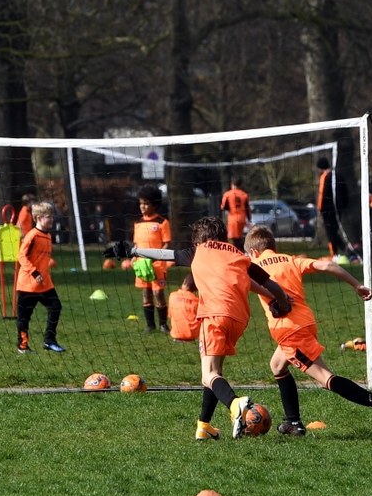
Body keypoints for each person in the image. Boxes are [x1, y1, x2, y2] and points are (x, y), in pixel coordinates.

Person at [105, 216, 293, 440]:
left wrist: (132, 250)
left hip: (213, 315)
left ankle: (235, 405)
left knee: (208, 375)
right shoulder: (238, 255)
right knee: (215, 372)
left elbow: (166, 254)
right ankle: (203, 427)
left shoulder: (199, 251)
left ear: (200, 240)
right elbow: (269, 283)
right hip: (239, 319)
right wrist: (281, 302)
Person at [244, 225, 372, 434]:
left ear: (253, 252)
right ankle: (294, 423)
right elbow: (328, 266)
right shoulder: (290, 259)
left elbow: (242, 283)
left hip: (289, 330)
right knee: (277, 366)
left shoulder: (253, 265)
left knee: (325, 378)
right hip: (306, 323)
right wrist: (356, 285)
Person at [15, 201, 65, 354]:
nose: (51, 219)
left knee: (56, 307)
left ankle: (49, 340)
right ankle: (23, 346)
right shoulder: (32, 236)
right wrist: (35, 272)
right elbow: (21, 256)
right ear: (37, 218)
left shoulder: (48, 236)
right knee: (24, 317)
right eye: (47, 217)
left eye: (52, 216)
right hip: (28, 284)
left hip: (44, 284)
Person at [132, 185, 172, 333]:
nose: (142, 206)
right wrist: (134, 257)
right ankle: (150, 326)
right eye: (141, 203)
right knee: (146, 293)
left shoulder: (162, 222)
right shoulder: (138, 223)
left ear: (154, 205)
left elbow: (167, 242)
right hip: (142, 265)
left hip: (157, 265)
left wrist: (160, 256)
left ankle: (163, 324)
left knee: (158, 293)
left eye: (146, 203)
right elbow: (136, 243)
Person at [316, 157, 348, 259]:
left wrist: (321, 209)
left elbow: (322, 195)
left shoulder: (326, 177)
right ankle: (336, 254)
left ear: (320, 168)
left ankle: (344, 250)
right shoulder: (338, 176)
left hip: (328, 210)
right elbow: (345, 192)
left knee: (331, 232)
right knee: (333, 231)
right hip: (337, 210)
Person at [167, 273, 200, 342]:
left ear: (184, 282)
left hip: (176, 334)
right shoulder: (196, 301)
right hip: (193, 335)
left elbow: (170, 315)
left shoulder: (172, 296)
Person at [220, 178, 251, 250]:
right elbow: (247, 209)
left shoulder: (227, 194)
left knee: (233, 239)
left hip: (233, 218)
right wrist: (249, 219)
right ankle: (242, 250)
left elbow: (223, 207)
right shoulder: (244, 194)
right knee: (239, 237)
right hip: (242, 218)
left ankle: (237, 252)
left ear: (232, 184)